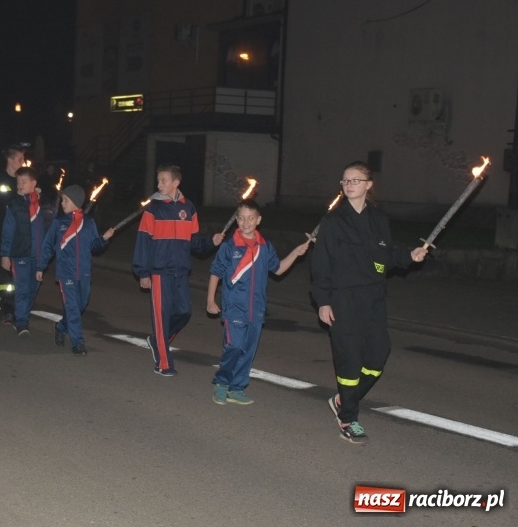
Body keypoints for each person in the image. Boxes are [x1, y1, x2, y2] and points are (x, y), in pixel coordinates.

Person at [311, 161, 427, 445]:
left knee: (377, 357)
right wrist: (323, 301)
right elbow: (320, 264)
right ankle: (349, 418)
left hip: (373, 298)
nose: (349, 185)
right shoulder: (333, 222)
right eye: (345, 181)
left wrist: (409, 257)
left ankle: (342, 400)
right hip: (342, 298)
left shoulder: (379, 219)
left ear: (369, 184)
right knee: (349, 361)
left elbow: (384, 257)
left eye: (355, 180)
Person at [207, 199, 310, 405]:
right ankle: (222, 383)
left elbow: (278, 269)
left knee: (247, 350)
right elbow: (216, 272)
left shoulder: (265, 246)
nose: (246, 223)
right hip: (234, 307)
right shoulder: (230, 246)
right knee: (234, 346)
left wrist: (295, 254)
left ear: (258, 220)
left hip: (257, 309)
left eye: (251, 218)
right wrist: (210, 299)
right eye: (242, 218)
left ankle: (237, 387)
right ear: (237, 220)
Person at [132, 164, 223, 377]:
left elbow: (195, 242)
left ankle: (157, 341)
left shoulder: (188, 208)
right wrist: (143, 272)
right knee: (161, 319)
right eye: (158, 181)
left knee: (184, 312)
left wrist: (211, 242)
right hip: (159, 272)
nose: (159, 184)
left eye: (164, 180)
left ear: (176, 183)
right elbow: (143, 242)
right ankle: (164, 364)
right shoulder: (152, 209)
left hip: (181, 271)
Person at [35, 185, 114, 355]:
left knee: (81, 306)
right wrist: (41, 266)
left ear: (76, 202)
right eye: (62, 199)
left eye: (65, 200)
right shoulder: (58, 223)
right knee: (72, 307)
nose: (62, 203)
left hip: (84, 272)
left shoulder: (89, 223)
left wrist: (104, 239)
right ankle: (78, 343)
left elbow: (95, 247)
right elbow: (48, 246)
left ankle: (61, 326)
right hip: (66, 272)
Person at [0, 144, 25, 324]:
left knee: (19, 274)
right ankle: (8, 307)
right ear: (10, 160)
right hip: (0, 236)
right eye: (20, 159)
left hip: (19, 237)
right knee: (5, 276)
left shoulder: (22, 182)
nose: (23, 162)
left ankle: (18, 305)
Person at [0, 166, 43, 335]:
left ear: (34, 183)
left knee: (33, 288)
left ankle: (23, 314)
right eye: (18, 182)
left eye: (24, 182)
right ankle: (22, 322)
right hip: (20, 255)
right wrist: (5, 254)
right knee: (22, 288)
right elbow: (7, 231)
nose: (20, 185)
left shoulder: (41, 203)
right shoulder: (13, 205)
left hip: (38, 256)